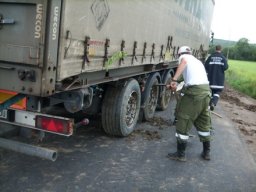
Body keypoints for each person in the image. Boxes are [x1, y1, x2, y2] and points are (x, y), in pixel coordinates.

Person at [166, 46, 212, 162]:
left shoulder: (184, 57)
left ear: (179, 54)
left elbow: (184, 63)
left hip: (194, 95)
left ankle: (180, 154)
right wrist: (175, 84)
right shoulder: (197, 61)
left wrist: (174, 80)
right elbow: (188, 80)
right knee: (203, 122)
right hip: (206, 92)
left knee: (183, 119)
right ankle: (206, 153)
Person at [204, 45, 229, 110]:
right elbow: (226, 67)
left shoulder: (210, 57)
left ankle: (208, 105)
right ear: (221, 49)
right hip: (219, 79)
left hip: (210, 78)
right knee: (217, 92)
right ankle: (213, 103)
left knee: (210, 91)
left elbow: (206, 66)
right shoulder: (223, 58)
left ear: (215, 49)